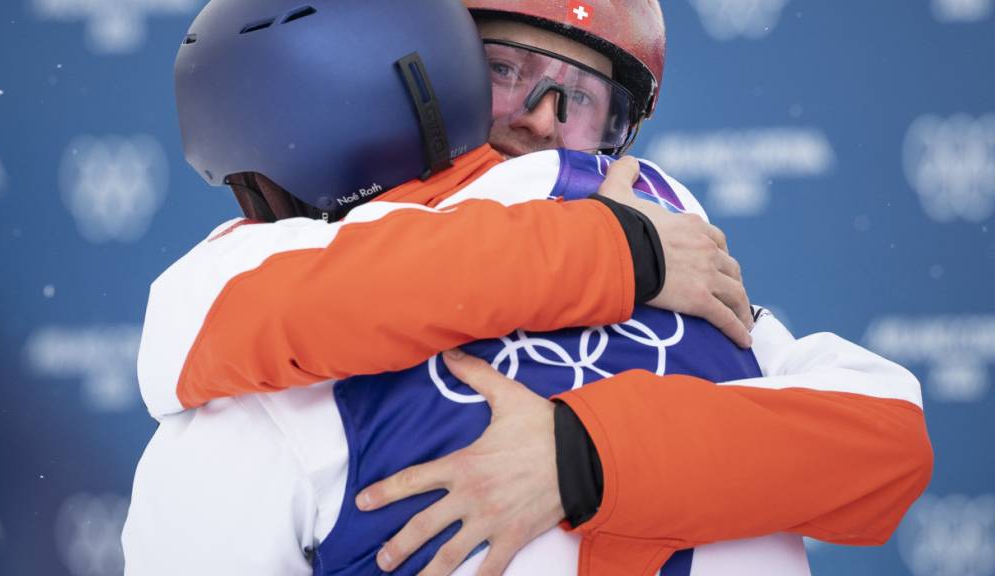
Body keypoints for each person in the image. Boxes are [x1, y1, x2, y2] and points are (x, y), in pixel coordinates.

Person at [123, 0, 933, 575]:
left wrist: (581, 458)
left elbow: (886, 445)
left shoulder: (681, 248)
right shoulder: (297, 263)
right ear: (430, 71)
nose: (545, 121)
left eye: (582, 99)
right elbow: (221, 322)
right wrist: (613, 252)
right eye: (508, 71)